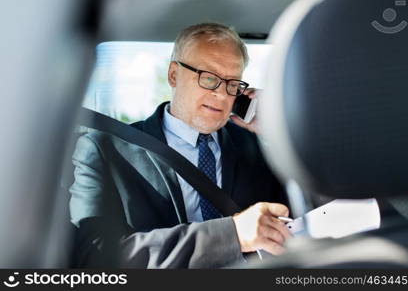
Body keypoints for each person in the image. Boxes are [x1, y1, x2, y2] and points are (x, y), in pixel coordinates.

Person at [69, 22, 291, 268]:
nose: (221, 95)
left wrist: (278, 133)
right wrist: (232, 235)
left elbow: (318, 213)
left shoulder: (256, 146)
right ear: (173, 75)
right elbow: (96, 257)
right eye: (208, 78)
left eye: (232, 84)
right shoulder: (104, 150)